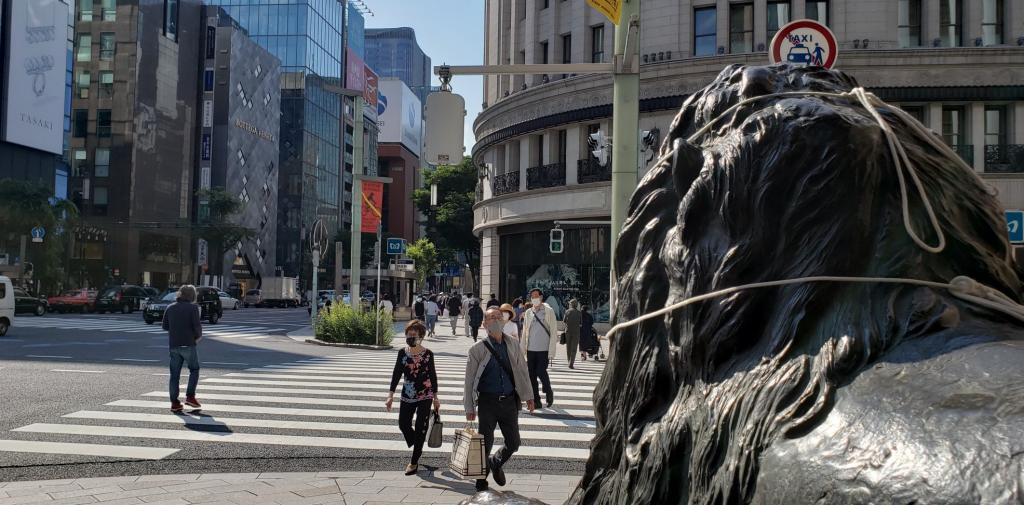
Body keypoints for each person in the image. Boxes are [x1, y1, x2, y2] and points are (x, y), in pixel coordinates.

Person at [464, 307, 535, 491]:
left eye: (498, 317)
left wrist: (529, 396)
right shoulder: (477, 349)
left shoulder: (512, 344)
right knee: (485, 443)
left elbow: (522, 371)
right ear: (484, 324)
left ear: (503, 321)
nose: (495, 320)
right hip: (487, 402)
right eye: (490, 318)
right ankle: (481, 479)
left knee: (514, 442)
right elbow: (469, 380)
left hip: (509, 401)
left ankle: (496, 462)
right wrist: (469, 407)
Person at [386, 320, 440, 476]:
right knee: (403, 424)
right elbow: (396, 374)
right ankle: (417, 442)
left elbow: (433, 375)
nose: (410, 337)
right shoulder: (402, 353)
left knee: (421, 426)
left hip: (425, 393)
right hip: (408, 393)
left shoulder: (428, 354)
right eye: (408, 334)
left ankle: (414, 461)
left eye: (413, 335)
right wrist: (390, 396)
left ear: (420, 337)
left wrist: (436, 398)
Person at [163, 284, 202, 413]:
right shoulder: (193, 308)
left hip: (174, 345)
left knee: (174, 375)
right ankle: (190, 396)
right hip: (188, 344)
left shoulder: (170, 307)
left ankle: (174, 402)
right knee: (194, 369)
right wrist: (197, 337)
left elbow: (165, 326)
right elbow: (197, 327)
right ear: (192, 295)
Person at [520, 288, 559, 408]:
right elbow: (525, 332)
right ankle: (536, 400)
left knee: (541, 371)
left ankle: (548, 391)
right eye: (532, 297)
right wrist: (522, 350)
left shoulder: (548, 311)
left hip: (544, 349)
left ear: (541, 297)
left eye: (536, 296)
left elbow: (553, 331)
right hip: (531, 349)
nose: (534, 299)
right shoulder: (528, 312)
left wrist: (552, 351)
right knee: (531, 376)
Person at [562, 299, 582, 369]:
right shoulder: (579, 313)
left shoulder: (567, 311)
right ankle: (571, 363)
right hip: (576, 332)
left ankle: (568, 361)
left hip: (568, 331)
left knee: (568, 347)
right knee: (574, 348)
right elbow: (580, 323)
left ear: (571, 304)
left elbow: (564, 321)